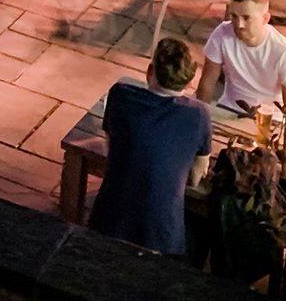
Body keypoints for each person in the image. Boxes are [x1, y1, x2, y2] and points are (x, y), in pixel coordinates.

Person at [88, 38, 215, 257]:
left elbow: (112, 145)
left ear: (150, 71)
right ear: (189, 83)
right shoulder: (199, 115)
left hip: (108, 221)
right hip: (162, 236)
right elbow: (196, 177)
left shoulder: (120, 94)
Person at [196, 0, 286, 117]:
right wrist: (201, 117)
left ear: (265, 19)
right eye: (234, 16)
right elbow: (207, 83)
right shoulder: (222, 33)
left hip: (268, 117)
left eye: (246, 18)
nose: (239, 25)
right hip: (229, 109)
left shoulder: (283, 49)